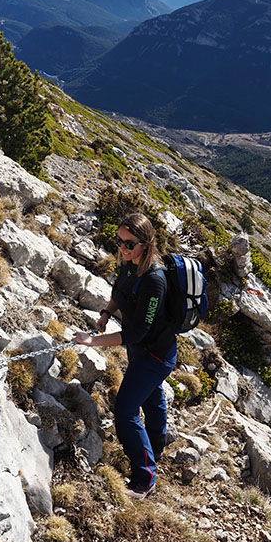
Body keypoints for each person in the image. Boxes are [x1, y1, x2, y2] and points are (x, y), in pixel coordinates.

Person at [73, 212, 177, 500]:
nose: (122, 248)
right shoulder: (129, 264)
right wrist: (107, 312)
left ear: (145, 243)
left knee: (125, 411)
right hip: (142, 352)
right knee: (151, 397)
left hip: (155, 355)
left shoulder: (155, 279)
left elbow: (139, 331)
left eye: (129, 243)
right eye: (118, 241)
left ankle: (145, 476)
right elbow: (119, 290)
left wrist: (94, 341)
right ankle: (155, 447)